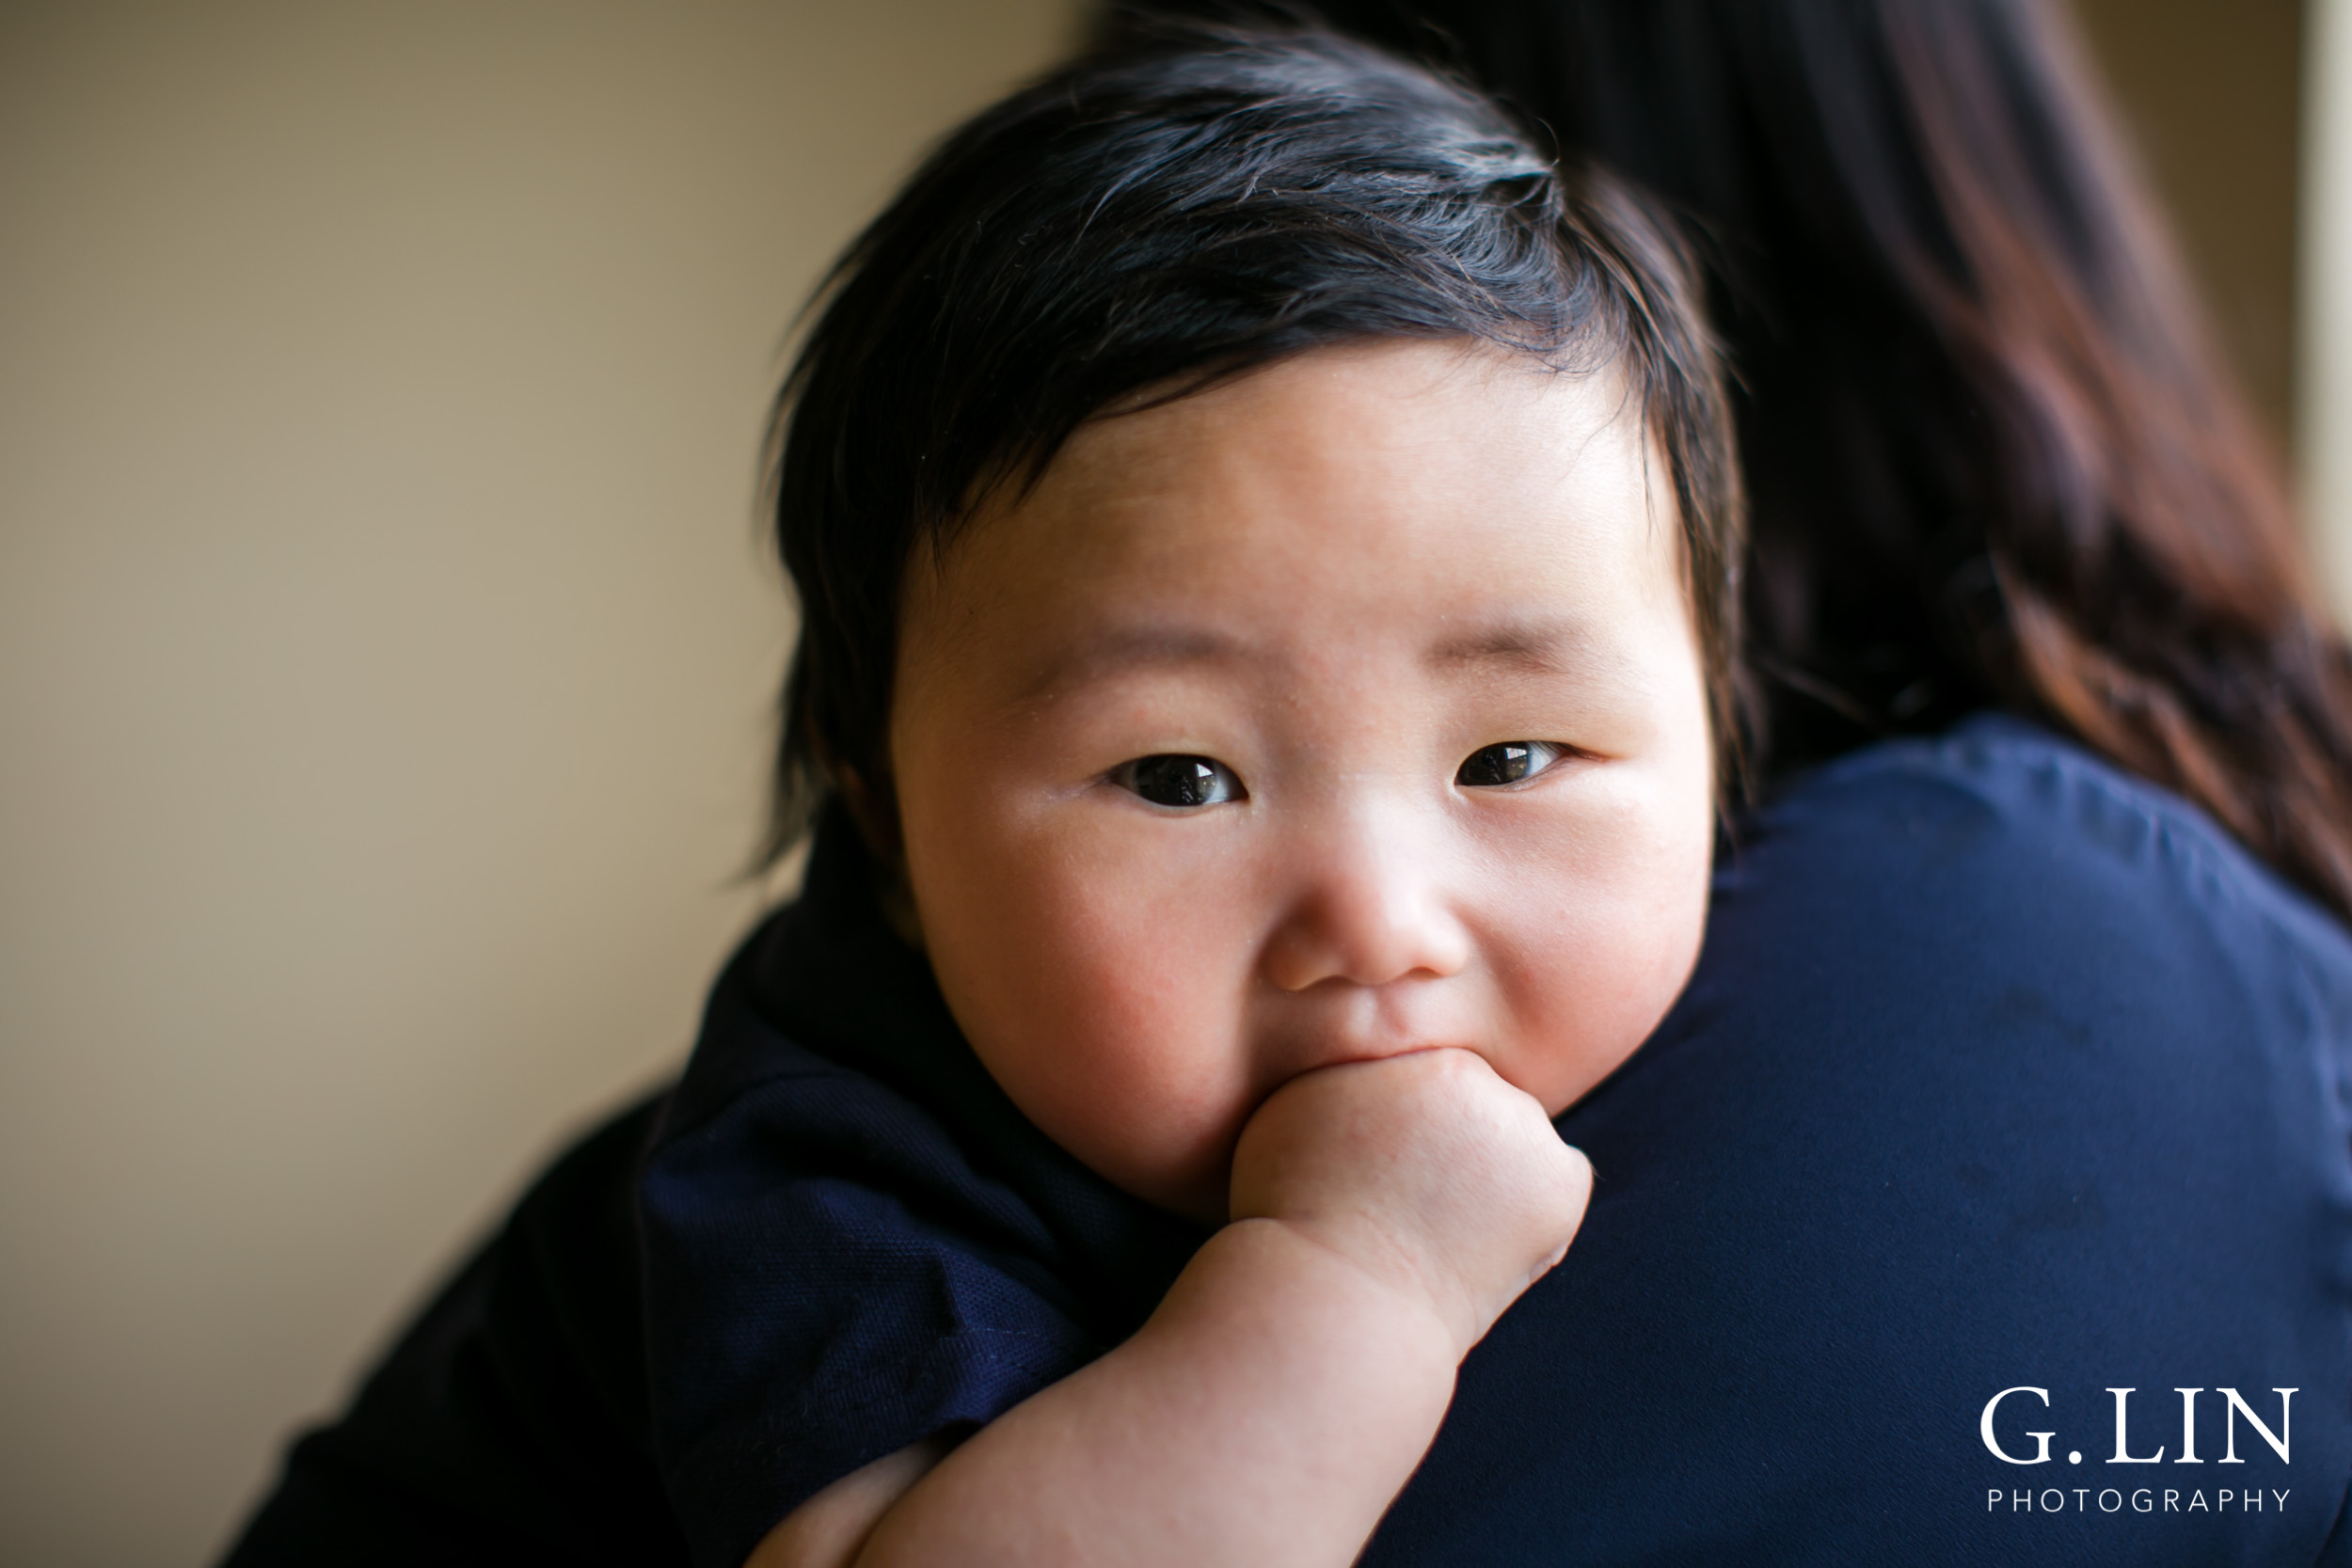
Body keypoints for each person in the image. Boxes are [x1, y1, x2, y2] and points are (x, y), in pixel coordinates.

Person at [224, 24, 1748, 1568]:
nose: (1377, 919)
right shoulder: (820, 1177)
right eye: (1179, 777)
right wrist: (1362, 1277)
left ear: (1721, 731)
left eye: (1509, 760)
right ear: (877, 813)